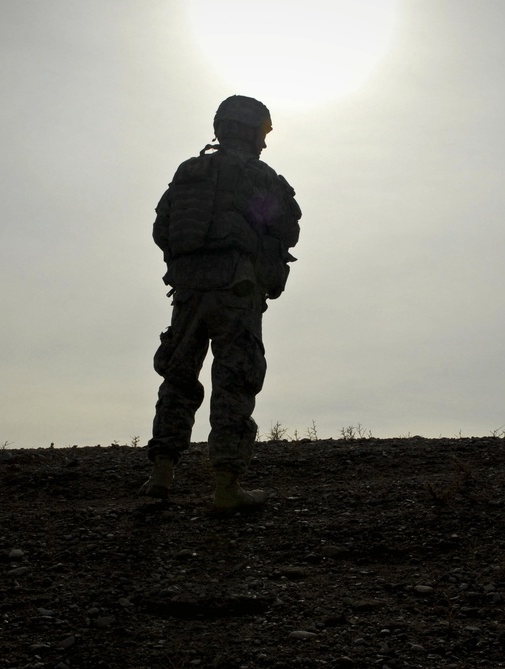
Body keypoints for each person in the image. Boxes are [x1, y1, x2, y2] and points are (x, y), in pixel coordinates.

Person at [140, 95, 301, 510]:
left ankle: (160, 477)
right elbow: (286, 227)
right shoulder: (258, 175)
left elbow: (162, 228)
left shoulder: (189, 171)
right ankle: (226, 487)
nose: (265, 144)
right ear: (249, 131)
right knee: (235, 381)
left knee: (177, 380)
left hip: (189, 291)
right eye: (262, 133)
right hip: (237, 289)